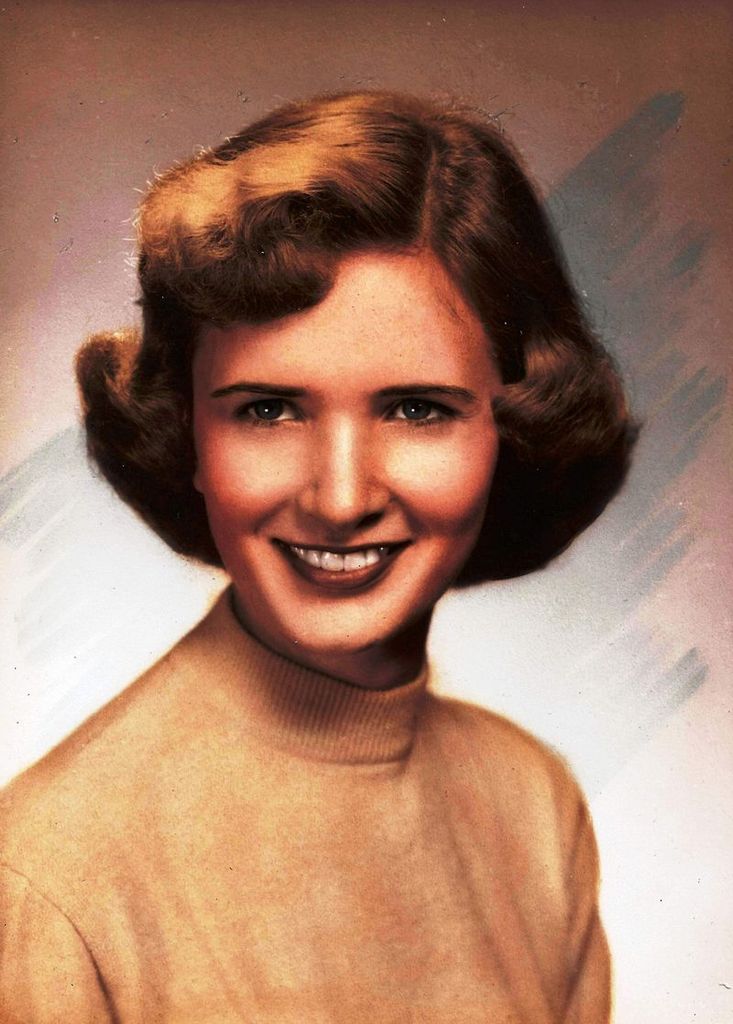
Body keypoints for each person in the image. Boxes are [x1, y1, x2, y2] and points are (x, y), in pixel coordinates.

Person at [0, 91, 633, 1022]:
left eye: (416, 408)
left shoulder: (533, 808)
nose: (340, 500)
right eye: (268, 409)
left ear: (511, 429)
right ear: (186, 430)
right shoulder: (48, 875)